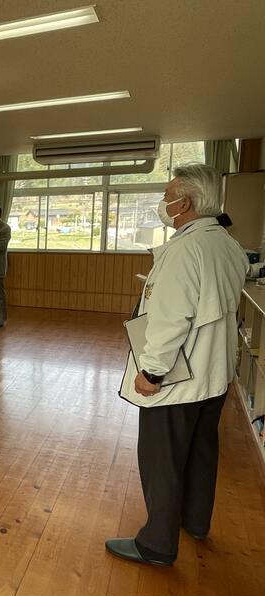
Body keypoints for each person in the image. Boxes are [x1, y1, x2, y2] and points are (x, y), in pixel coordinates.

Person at [106, 164, 249, 566]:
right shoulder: (226, 243)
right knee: (201, 451)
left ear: (183, 203)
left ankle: (156, 545)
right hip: (214, 375)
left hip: (178, 380)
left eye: (167, 195)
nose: (163, 202)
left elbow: (171, 318)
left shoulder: (185, 249)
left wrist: (151, 371)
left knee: (162, 459)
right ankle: (195, 521)